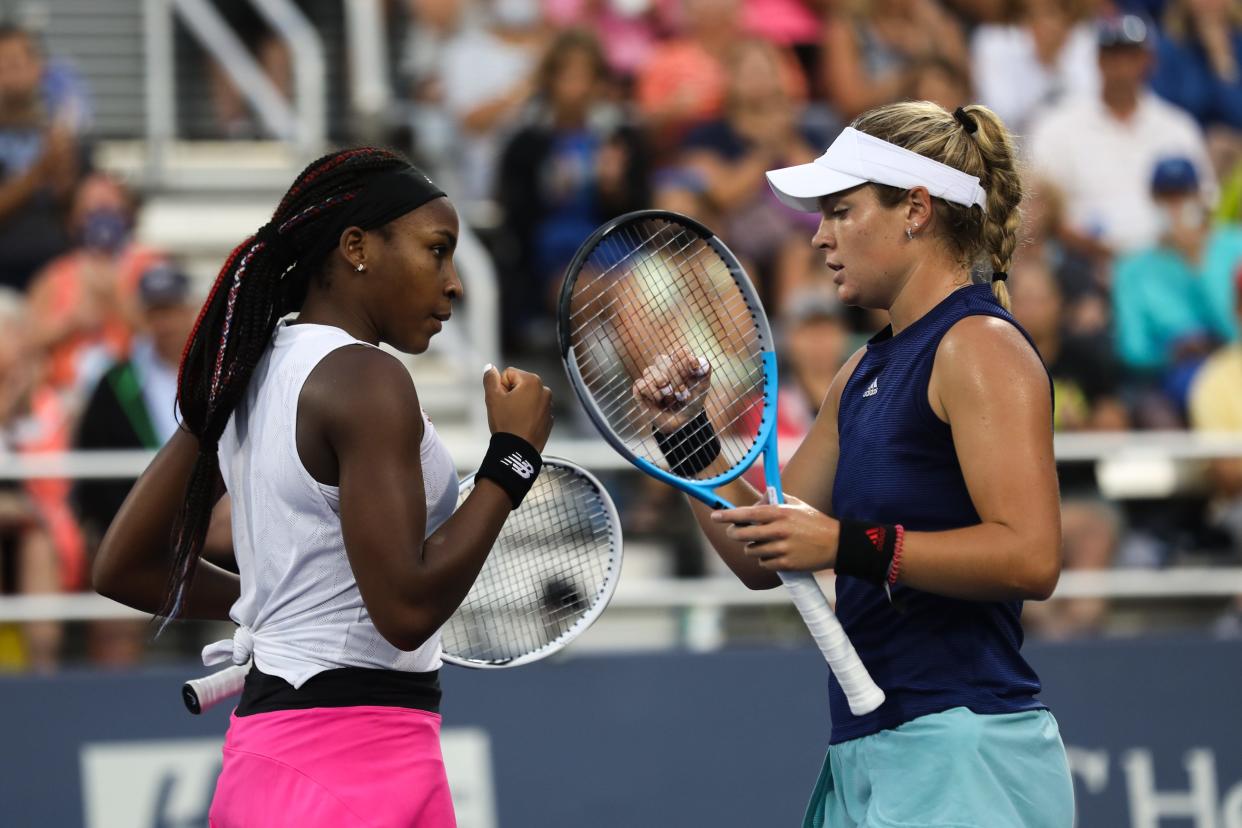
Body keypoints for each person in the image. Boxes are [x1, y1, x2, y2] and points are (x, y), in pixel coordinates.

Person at [634, 102, 1073, 825]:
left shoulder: (981, 346)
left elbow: (1030, 557)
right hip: (872, 753)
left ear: (917, 211)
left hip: (965, 753)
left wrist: (843, 545)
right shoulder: (861, 370)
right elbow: (759, 556)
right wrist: (689, 438)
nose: (819, 234)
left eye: (841, 210)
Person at [91, 147, 553, 826]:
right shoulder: (365, 379)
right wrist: (510, 461)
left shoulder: (248, 368)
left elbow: (123, 566)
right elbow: (405, 608)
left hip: (283, 758)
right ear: (358, 248)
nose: (453, 282)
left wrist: (274, 613)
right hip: (348, 764)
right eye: (437, 250)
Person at [1027, 14, 1214, 256]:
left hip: (1169, 259)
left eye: (1131, 56)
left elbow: (1206, 204)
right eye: (1113, 55)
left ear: (1149, 61)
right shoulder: (1058, 127)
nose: (1121, 66)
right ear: (1098, 60)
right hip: (1085, 262)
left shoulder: (1178, 128)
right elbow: (1040, 205)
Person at [1113, 155, 1242, 422]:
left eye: (1182, 196)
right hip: (1171, 376)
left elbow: (1234, 328)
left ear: (1199, 197)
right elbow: (1132, 349)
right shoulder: (1132, 268)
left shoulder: (1235, 246)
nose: (1174, 207)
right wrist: (1171, 353)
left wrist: (1196, 261)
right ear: (1153, 201)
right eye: (1166, 198)